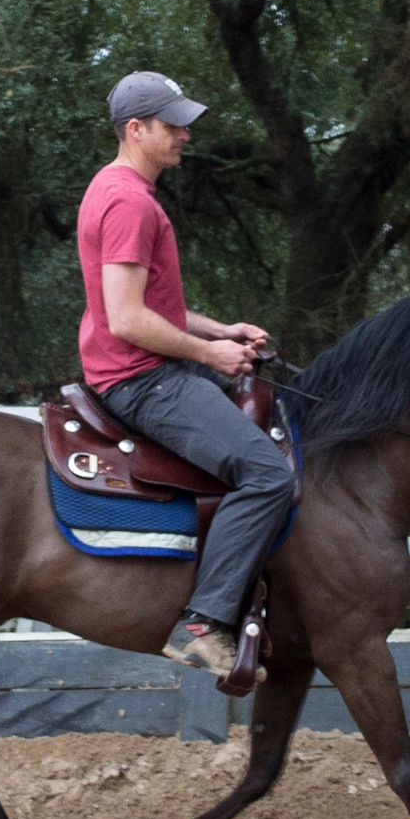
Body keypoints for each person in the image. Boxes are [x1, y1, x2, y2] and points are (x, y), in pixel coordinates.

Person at [77, 72, 295, 677]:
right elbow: (126, 318)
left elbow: (153, 306)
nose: (185, 134)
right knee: (268, 476)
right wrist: (209, 356)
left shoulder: (119, 188)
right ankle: (203, 624)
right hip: (142, 378)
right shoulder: (128, 202)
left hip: (147, 362)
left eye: (184, 123)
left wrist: (218, 330)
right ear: (135, 129)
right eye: (172, 125)